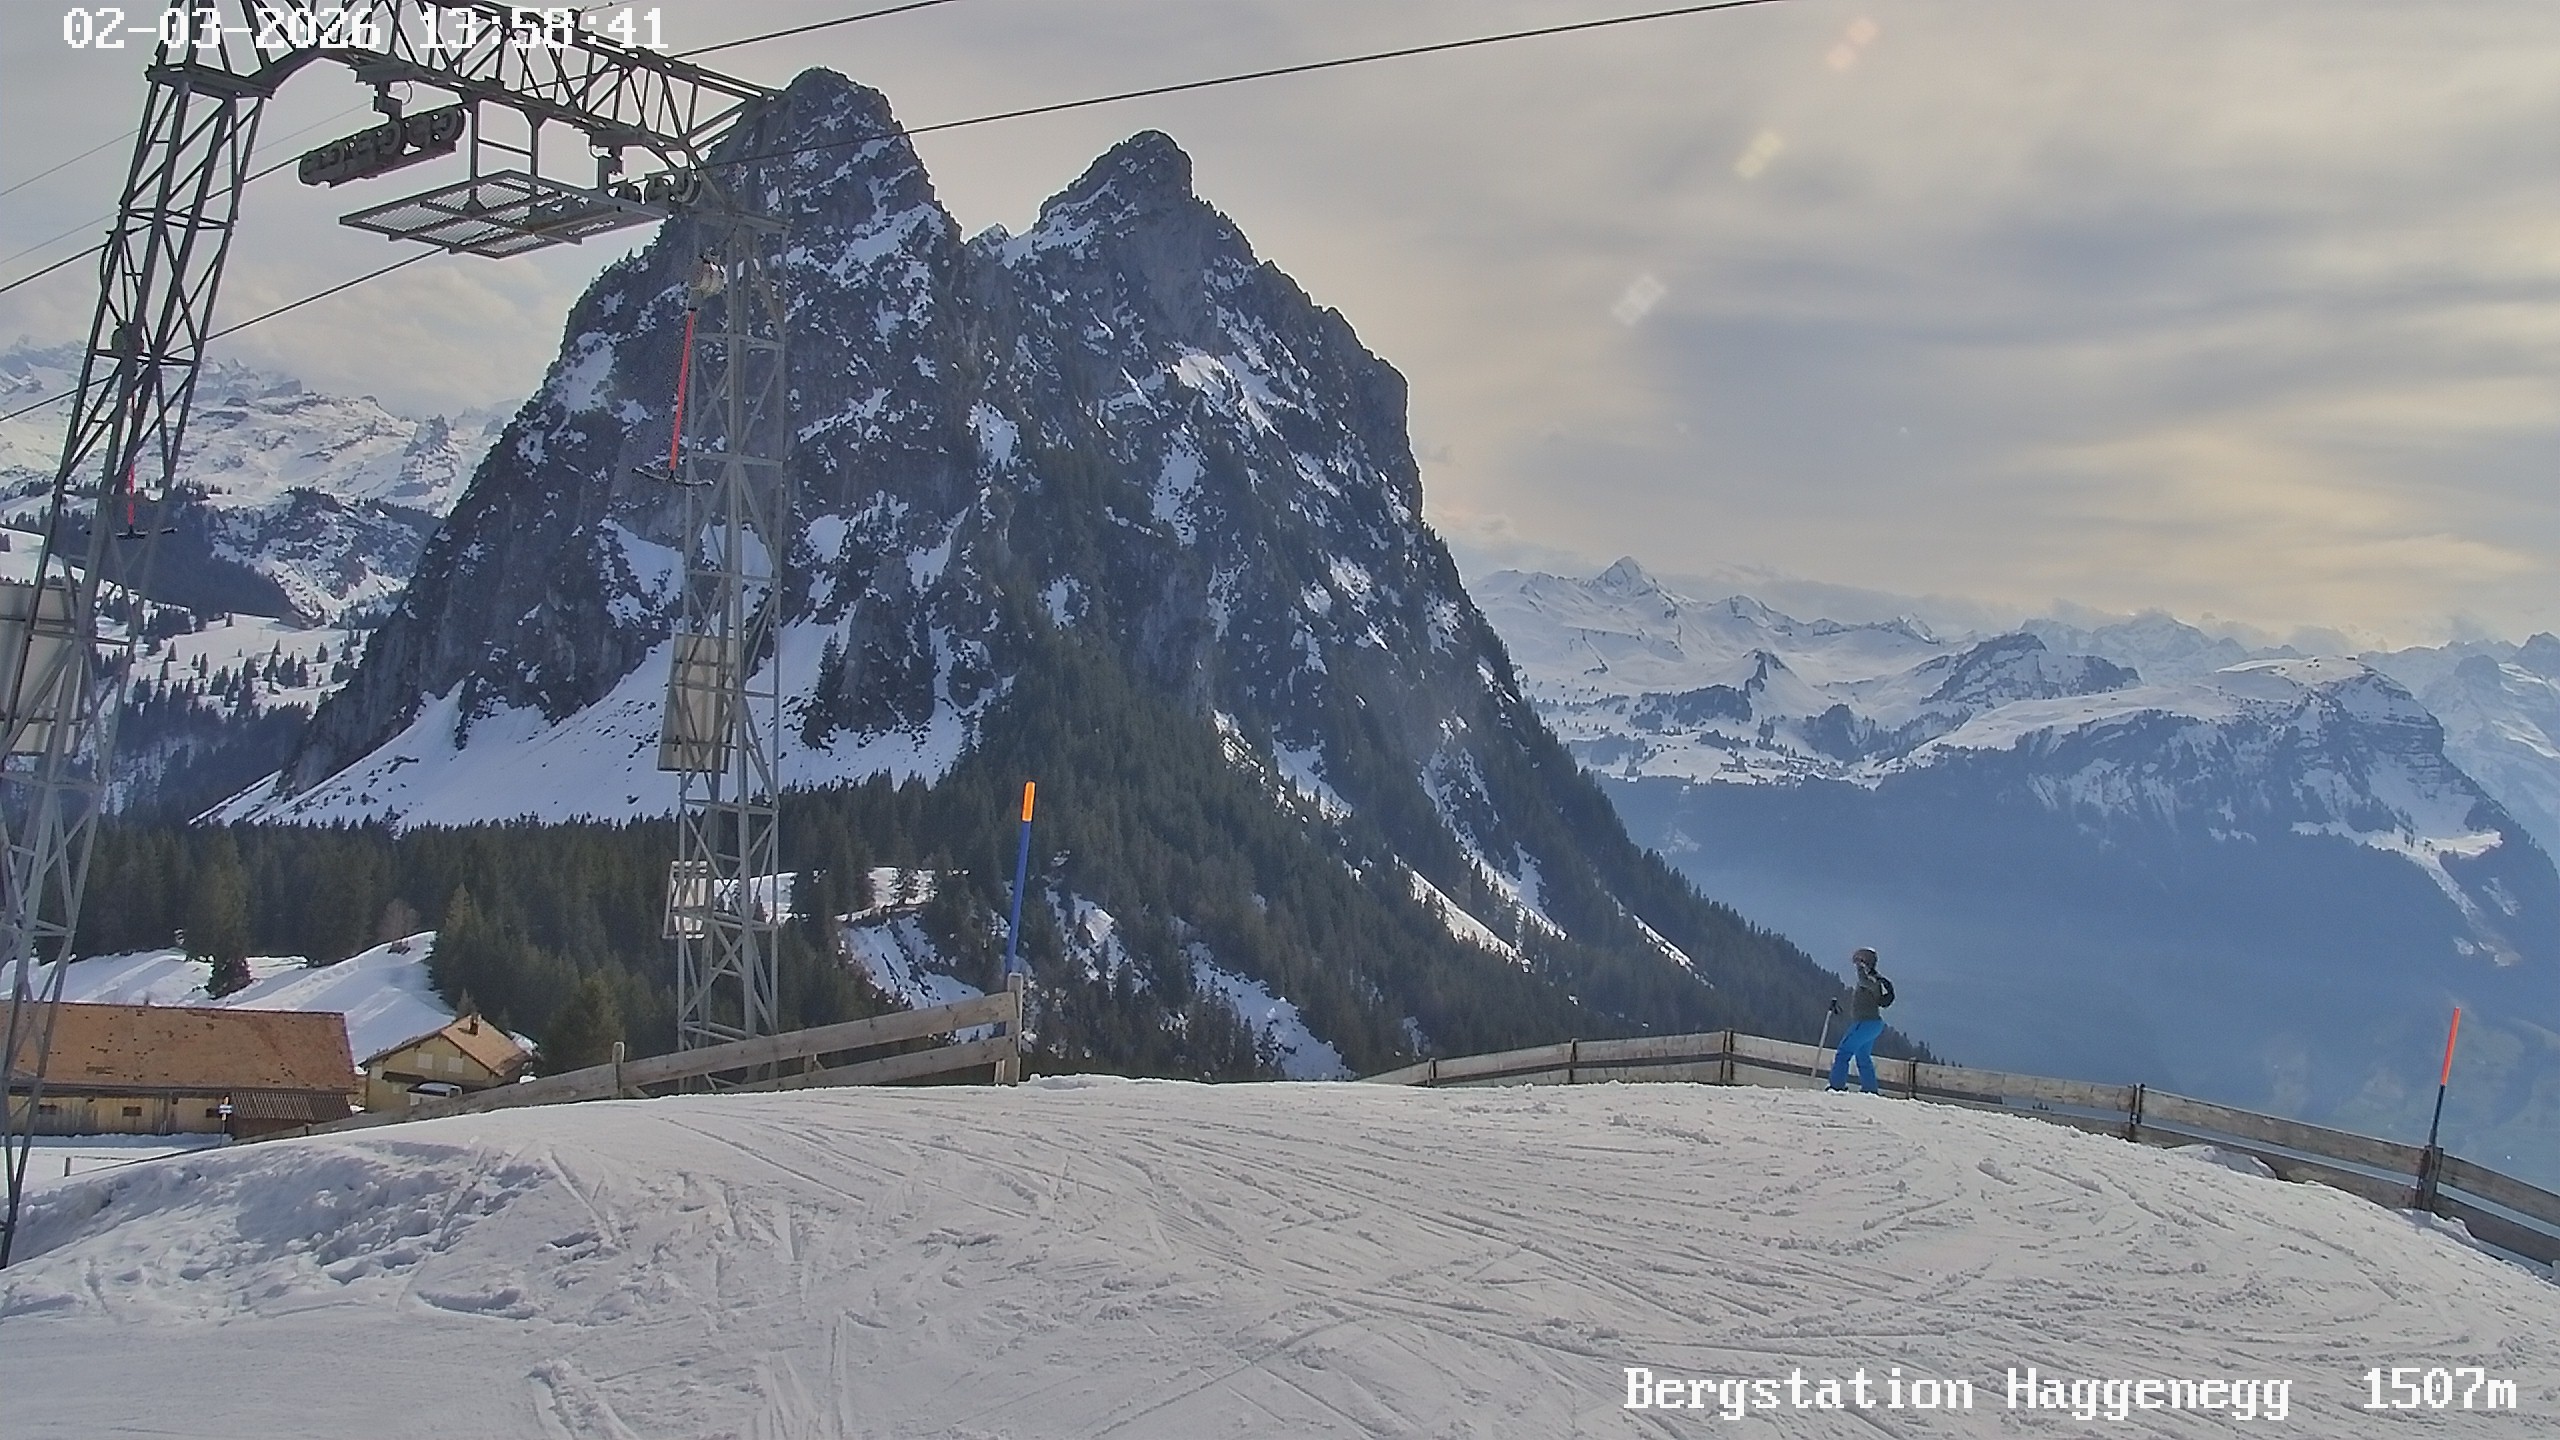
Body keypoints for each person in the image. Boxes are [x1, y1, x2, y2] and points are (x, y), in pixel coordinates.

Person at [1828, 947, 1893, 1093]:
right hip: (1872, 1024)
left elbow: (1864, 981)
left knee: (1843, 1052)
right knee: (1863, 1056)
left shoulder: (1871, 980)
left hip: (1865, 1023)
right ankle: (1870, 1089)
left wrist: (1859, 967)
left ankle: (1836, 1086)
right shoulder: (1875, 979)